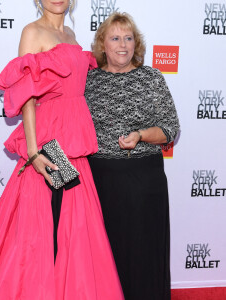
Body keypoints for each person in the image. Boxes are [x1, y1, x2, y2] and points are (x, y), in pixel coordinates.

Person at [0, 1, 124, 300]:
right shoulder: (32, 32)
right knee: (39, 225)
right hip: (49, 140)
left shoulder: (72, 37)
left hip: (74, 141)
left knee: (74, 226)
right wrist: (34, 150)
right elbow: (26, 95)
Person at [85, 12, 180, 300]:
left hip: (144, 180)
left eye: (128, 38)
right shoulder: (87, 81)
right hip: (101, 181)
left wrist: (140, 135)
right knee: (105, 256)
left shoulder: (151, 78)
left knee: (144, 254)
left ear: (136, 43)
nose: (123, 45)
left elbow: (170, 129)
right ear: (102, 44)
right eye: (115, 38)